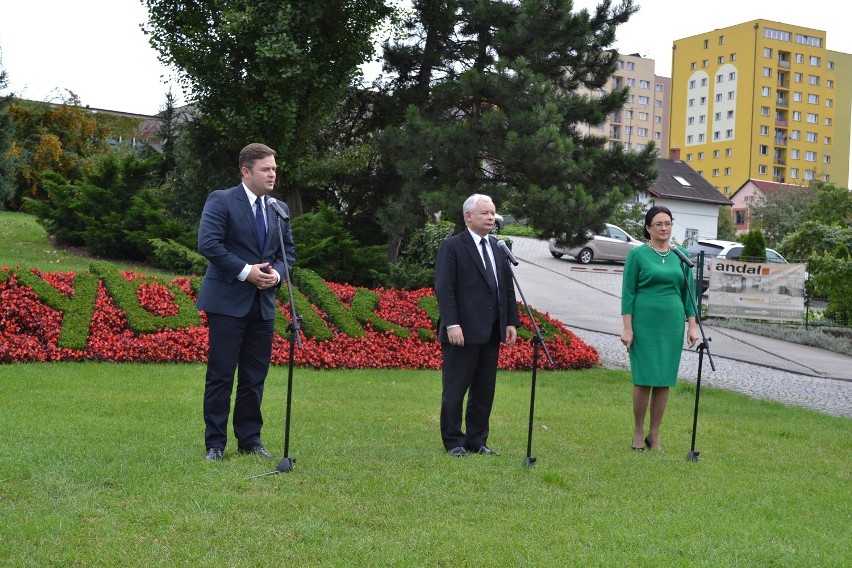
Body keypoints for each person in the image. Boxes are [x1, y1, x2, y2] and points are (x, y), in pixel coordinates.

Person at [196, 143, 297, 462]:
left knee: (255, 376)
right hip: (227, 302)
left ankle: (250, 439)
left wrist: (276, 276)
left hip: (263, 304)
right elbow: (208, 244)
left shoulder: (279, 208)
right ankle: (215, 443)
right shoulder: (222, 200)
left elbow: (288, 253)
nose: (272, 174)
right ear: (246, 171)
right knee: (221, 374)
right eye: (266, 169)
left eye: (275, 169)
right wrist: (246, 272)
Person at [434, 194, 521, 457]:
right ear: (468, 216)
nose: (491, 218)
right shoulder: (453, 246)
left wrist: (511, 322)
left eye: (493, 213)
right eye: (485, 213)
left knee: (484, 390)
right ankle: (454, 441)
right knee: (455, 389)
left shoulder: (497, 246)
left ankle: (477, 439)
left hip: (492, 331)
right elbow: (444, 288)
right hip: (462, 331)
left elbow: (506, 287)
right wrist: (452, 324)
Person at [621, 205, 699, 452]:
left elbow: (689, 295)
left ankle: (654, 434)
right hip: (644, 323)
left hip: (671, 324)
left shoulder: (681, 254)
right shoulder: (638, 254)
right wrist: (627, 328)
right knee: (644, 379)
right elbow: (628, 293)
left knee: (664, 380)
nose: (664, 228)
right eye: (659, 224)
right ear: (648, 228)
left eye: (668, 223)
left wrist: (692, 326)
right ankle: (637, 430)